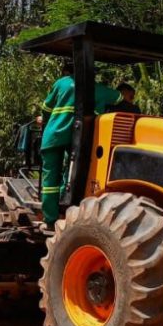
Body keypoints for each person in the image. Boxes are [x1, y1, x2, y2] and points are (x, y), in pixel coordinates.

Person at [37, 61, 122, 230]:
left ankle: (50, 219)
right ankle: (67, 211)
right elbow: (120, 97)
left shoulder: (61, 83)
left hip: (53, 135)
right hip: (77, 139)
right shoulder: (97, 89)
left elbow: (46, 108)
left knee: (50, 179)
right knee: (72, 175)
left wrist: (45, 121)